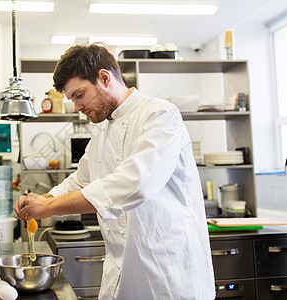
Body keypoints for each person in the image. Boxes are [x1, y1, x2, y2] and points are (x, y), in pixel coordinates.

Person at [15, 43, 215, 299]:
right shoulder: (102, 130)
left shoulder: (160, 115)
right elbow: (81, 179)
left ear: (104, 78)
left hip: (168, 274)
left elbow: (135, 183)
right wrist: (44, 199)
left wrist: (50, 208)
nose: (77, 106)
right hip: (123, 271)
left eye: (79, 95)